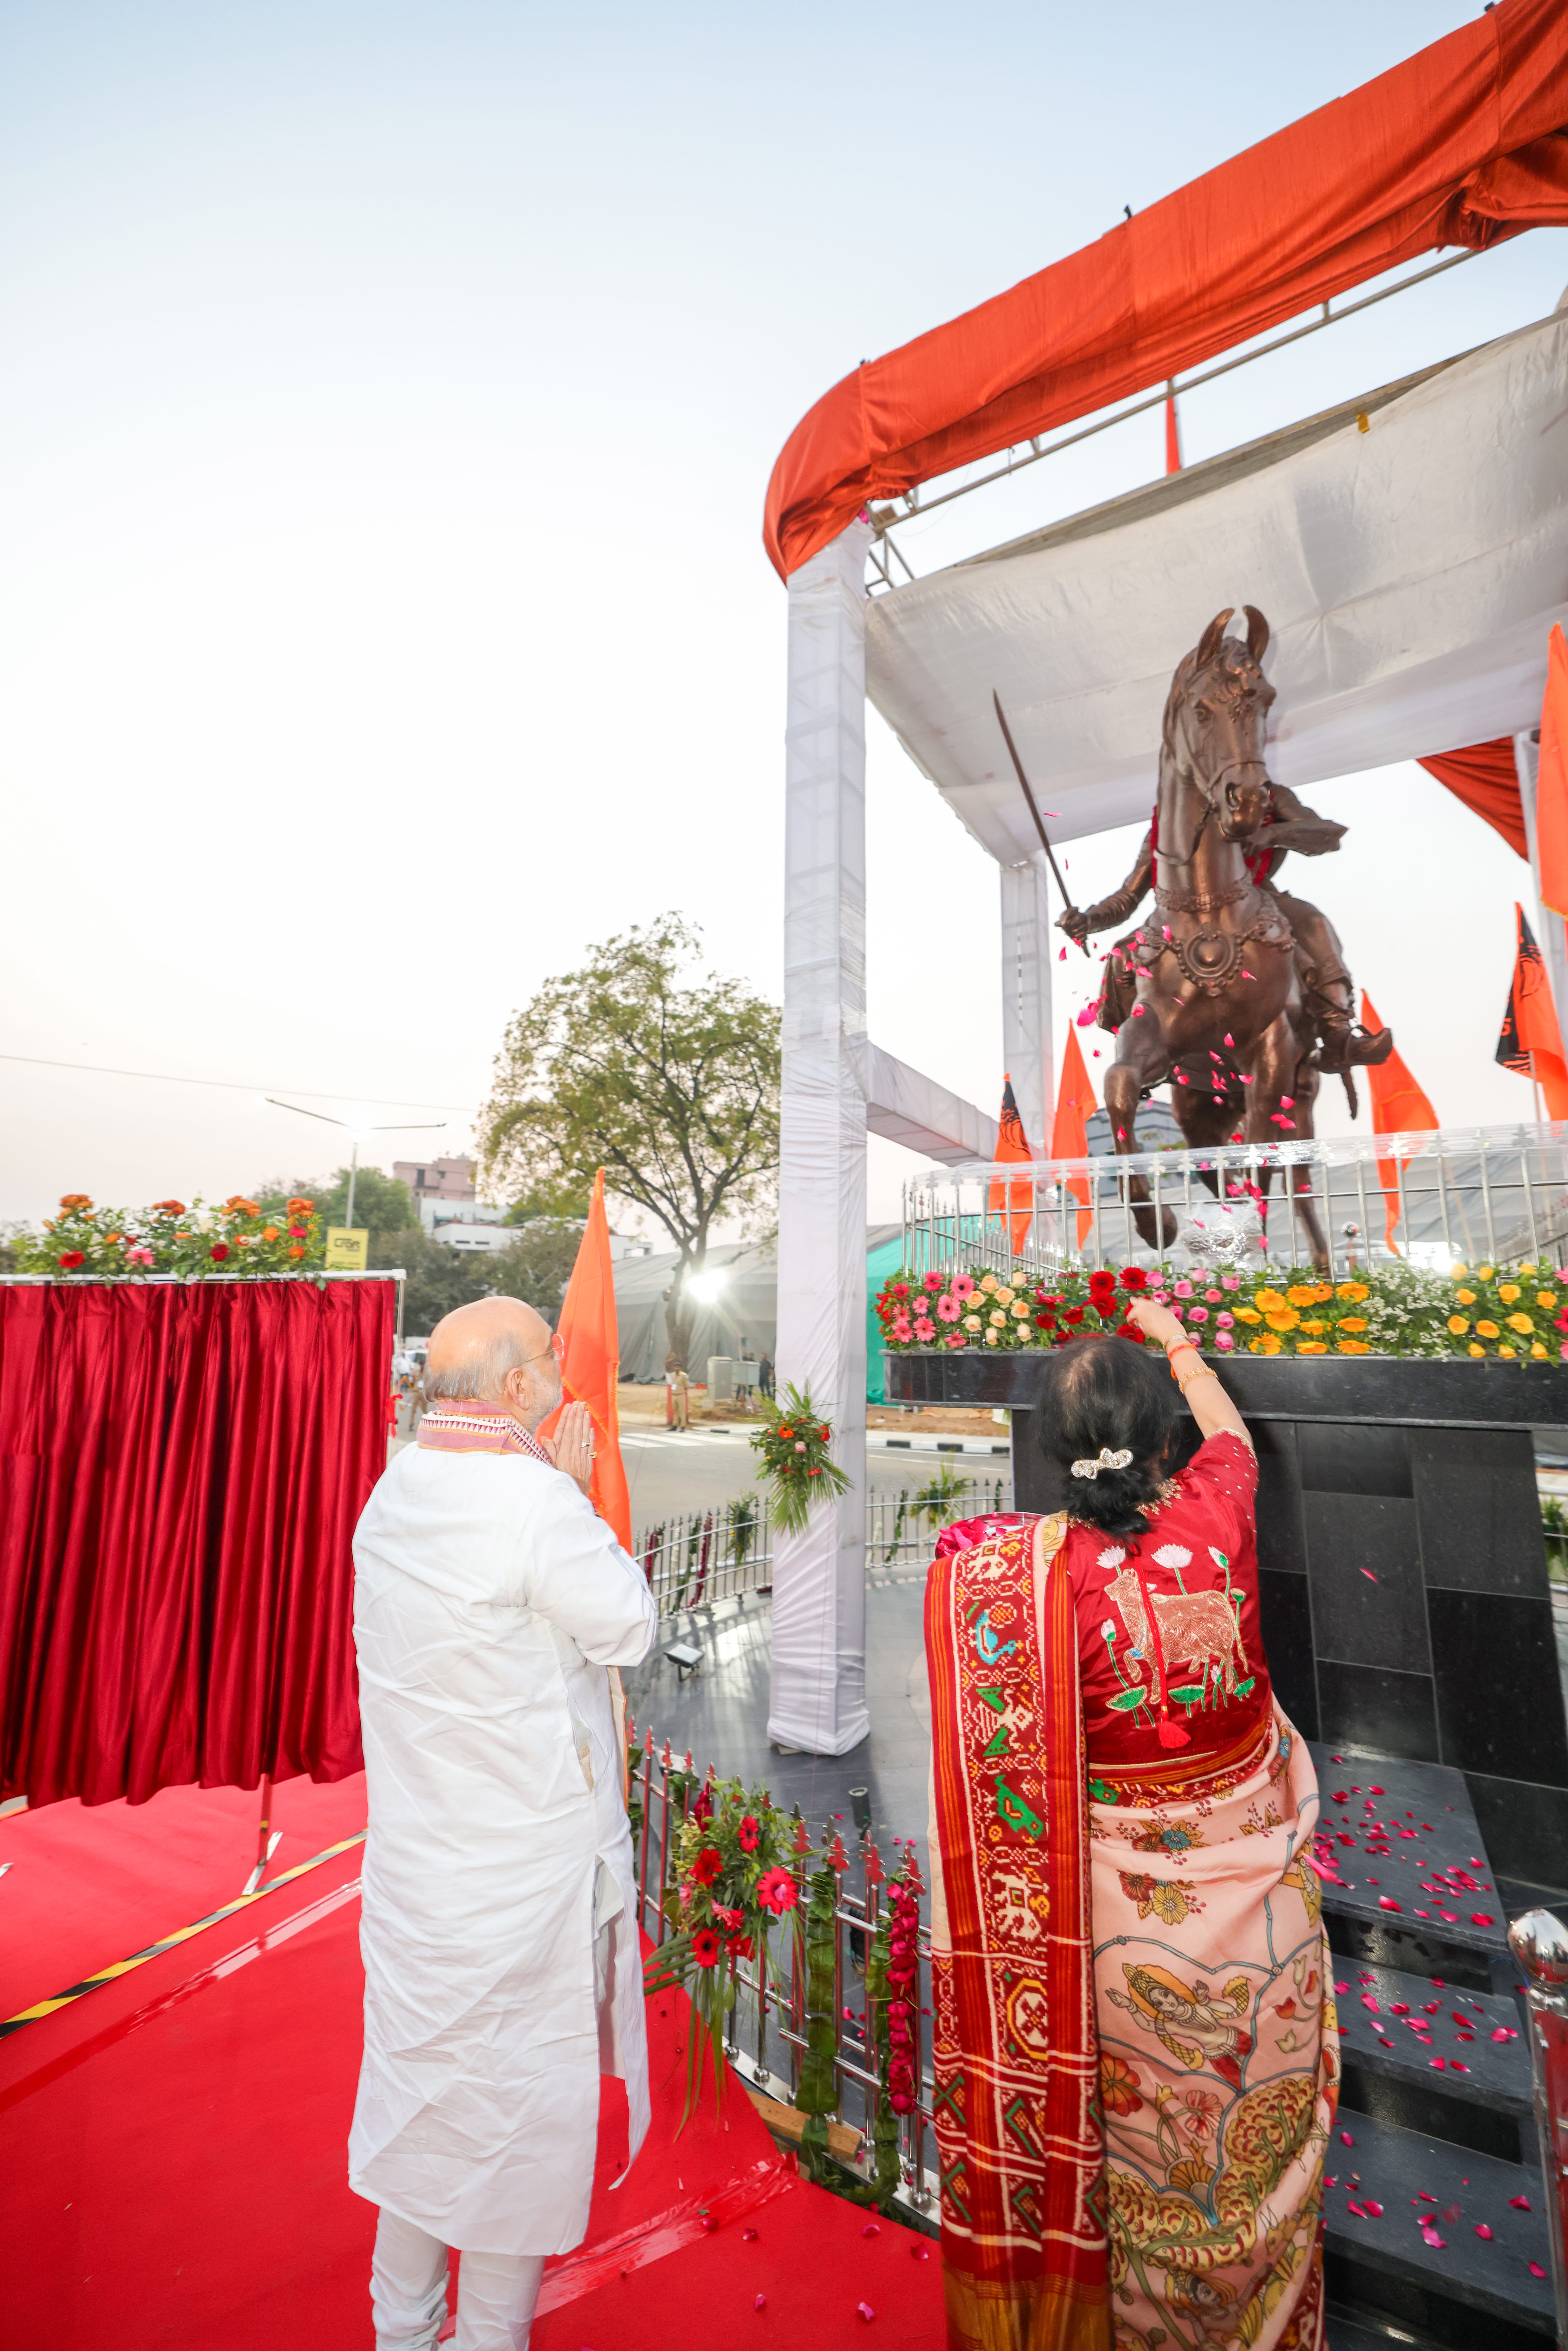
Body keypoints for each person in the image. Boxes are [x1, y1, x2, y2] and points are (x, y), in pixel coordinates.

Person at [925, 1300, 1335, 2351]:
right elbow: (1231, 1432)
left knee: (1148, 2161)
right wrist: (1175, 1337)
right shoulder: (1217, 1510)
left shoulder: (1015, 1573)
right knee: (1256, 2164)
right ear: (1164, 1437)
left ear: (1053, 1451)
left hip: (1115, 1942)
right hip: (1260, 1927)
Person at [349, 1295, 658, 2351]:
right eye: (552, 1355)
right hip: (517, 1886)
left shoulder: (394, 1487)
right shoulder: (531, 1500)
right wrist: (571, 1492)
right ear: (517, 1383)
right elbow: (628, 1623)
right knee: (510, 2130)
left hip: (418, 1871)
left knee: (421, 2115)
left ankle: (400, 2331)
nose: (564, 1371)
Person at [1060, 783, 1388, 1074]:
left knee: (1311, 921)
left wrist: (1273, 834)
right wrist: (1088, 920)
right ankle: (1136, 1048)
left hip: (1257, 902)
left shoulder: (1271, 796)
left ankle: (1337, 1033)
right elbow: (1129, 895)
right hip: (1181, 912)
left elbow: (1328, 836)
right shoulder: (1169, 817)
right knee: (1123, 955)